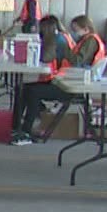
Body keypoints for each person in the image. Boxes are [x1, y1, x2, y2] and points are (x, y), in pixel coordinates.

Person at [11, 15, 74, 144]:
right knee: (22, 88)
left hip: (65, 85)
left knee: (33, 92)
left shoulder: (56, 39)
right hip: (62, 80)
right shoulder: (64, 36)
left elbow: (46, 57)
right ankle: (16, 126)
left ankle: (25, 130)